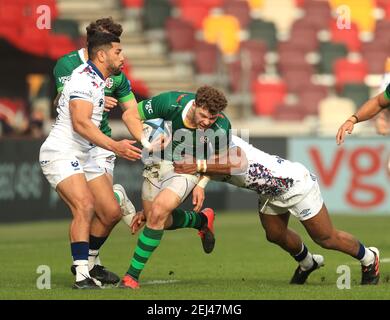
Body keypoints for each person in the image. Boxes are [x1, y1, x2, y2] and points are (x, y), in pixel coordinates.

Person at [173, 135, 380, 285]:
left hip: (294, 184)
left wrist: (200, 175)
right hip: (269, 192)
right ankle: (308, 263)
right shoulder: (202, 149)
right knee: (274, 234)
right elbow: (209, 165)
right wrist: (200, 181)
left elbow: (236, 162)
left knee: (325, 238)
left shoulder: (224, 139)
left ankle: (369, 258)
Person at [39, 32, 142, 289]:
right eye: (118, 52)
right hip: (61, 152)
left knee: (110, 212)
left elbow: (129, 110)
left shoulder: (100, 79)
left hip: (86, 153)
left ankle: (90, 261)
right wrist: (115, 146)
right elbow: (81, 123)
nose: (123, 56)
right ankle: (82, 274)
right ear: (102, 54)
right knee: (84, 206)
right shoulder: (83, 79)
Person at [119, 86, 232, 289]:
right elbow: (130, 115)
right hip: (155, 163)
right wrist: (146, 142)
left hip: (185, 169)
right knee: (157, 218)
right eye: (204, 115)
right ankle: (201, 220)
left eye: (212, 118)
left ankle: (131, 276)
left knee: (158, 212)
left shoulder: (222, 126)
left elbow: (219, 159)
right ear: (196, 104)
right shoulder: (171, 102)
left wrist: (202, 183)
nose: (207, 122)